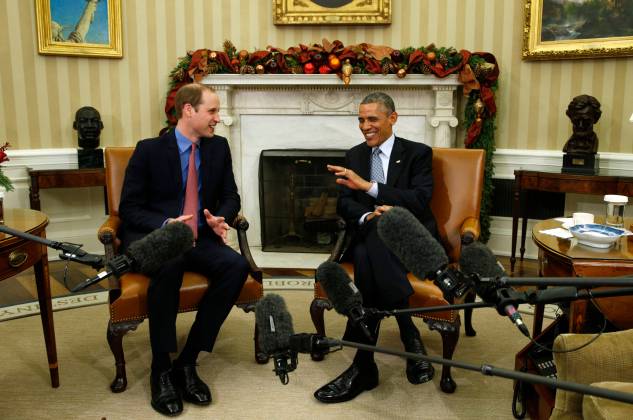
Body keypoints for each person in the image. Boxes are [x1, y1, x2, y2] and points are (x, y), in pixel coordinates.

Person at [118, 83, 249, 416]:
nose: (218, 119)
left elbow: (231, 195)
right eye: (213, 111)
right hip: (159, 238)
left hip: (200, 236)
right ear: (188, 110)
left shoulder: (218, 148)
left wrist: (223, 217)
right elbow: (129, 208)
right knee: (170, 263)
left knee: (235, 267)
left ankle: (188, 361)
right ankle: (161, 367)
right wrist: (167, 224)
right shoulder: (148, 150)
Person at [315, 92, 439, 403]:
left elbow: (421, 199)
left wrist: (369, 188)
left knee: (370, 244)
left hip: (410, 236)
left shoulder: (418, 153)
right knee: (372, 234)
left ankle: (364, 359)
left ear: (392, 118)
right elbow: (344, 204)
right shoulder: (354, 155)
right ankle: (406, 329)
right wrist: (369, 214)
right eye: (360, 119)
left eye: (372, 119)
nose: (365, 126)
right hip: (371, 237)